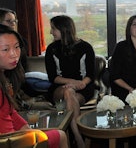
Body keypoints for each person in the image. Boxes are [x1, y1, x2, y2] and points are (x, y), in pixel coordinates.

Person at [0, 24, 68, 148]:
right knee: (61, 135)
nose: (14, 54)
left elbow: (11, 112)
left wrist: (27, 130)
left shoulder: (5, 77)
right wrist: (29, 137)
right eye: (5, 49)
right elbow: (8, 137)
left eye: (17, 47)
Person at [44, 15, 95, 148]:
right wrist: (73, 82)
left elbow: (90, 75)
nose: (51, 32)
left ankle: (74, 138)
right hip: (58, 88)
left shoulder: (86, 47)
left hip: (83, 88)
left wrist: (82, 83)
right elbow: (53, 77)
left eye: (53, 29)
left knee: (69, 93)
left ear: (64, 29)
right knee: (68, 90)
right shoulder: (52, 49)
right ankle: (79, 139)